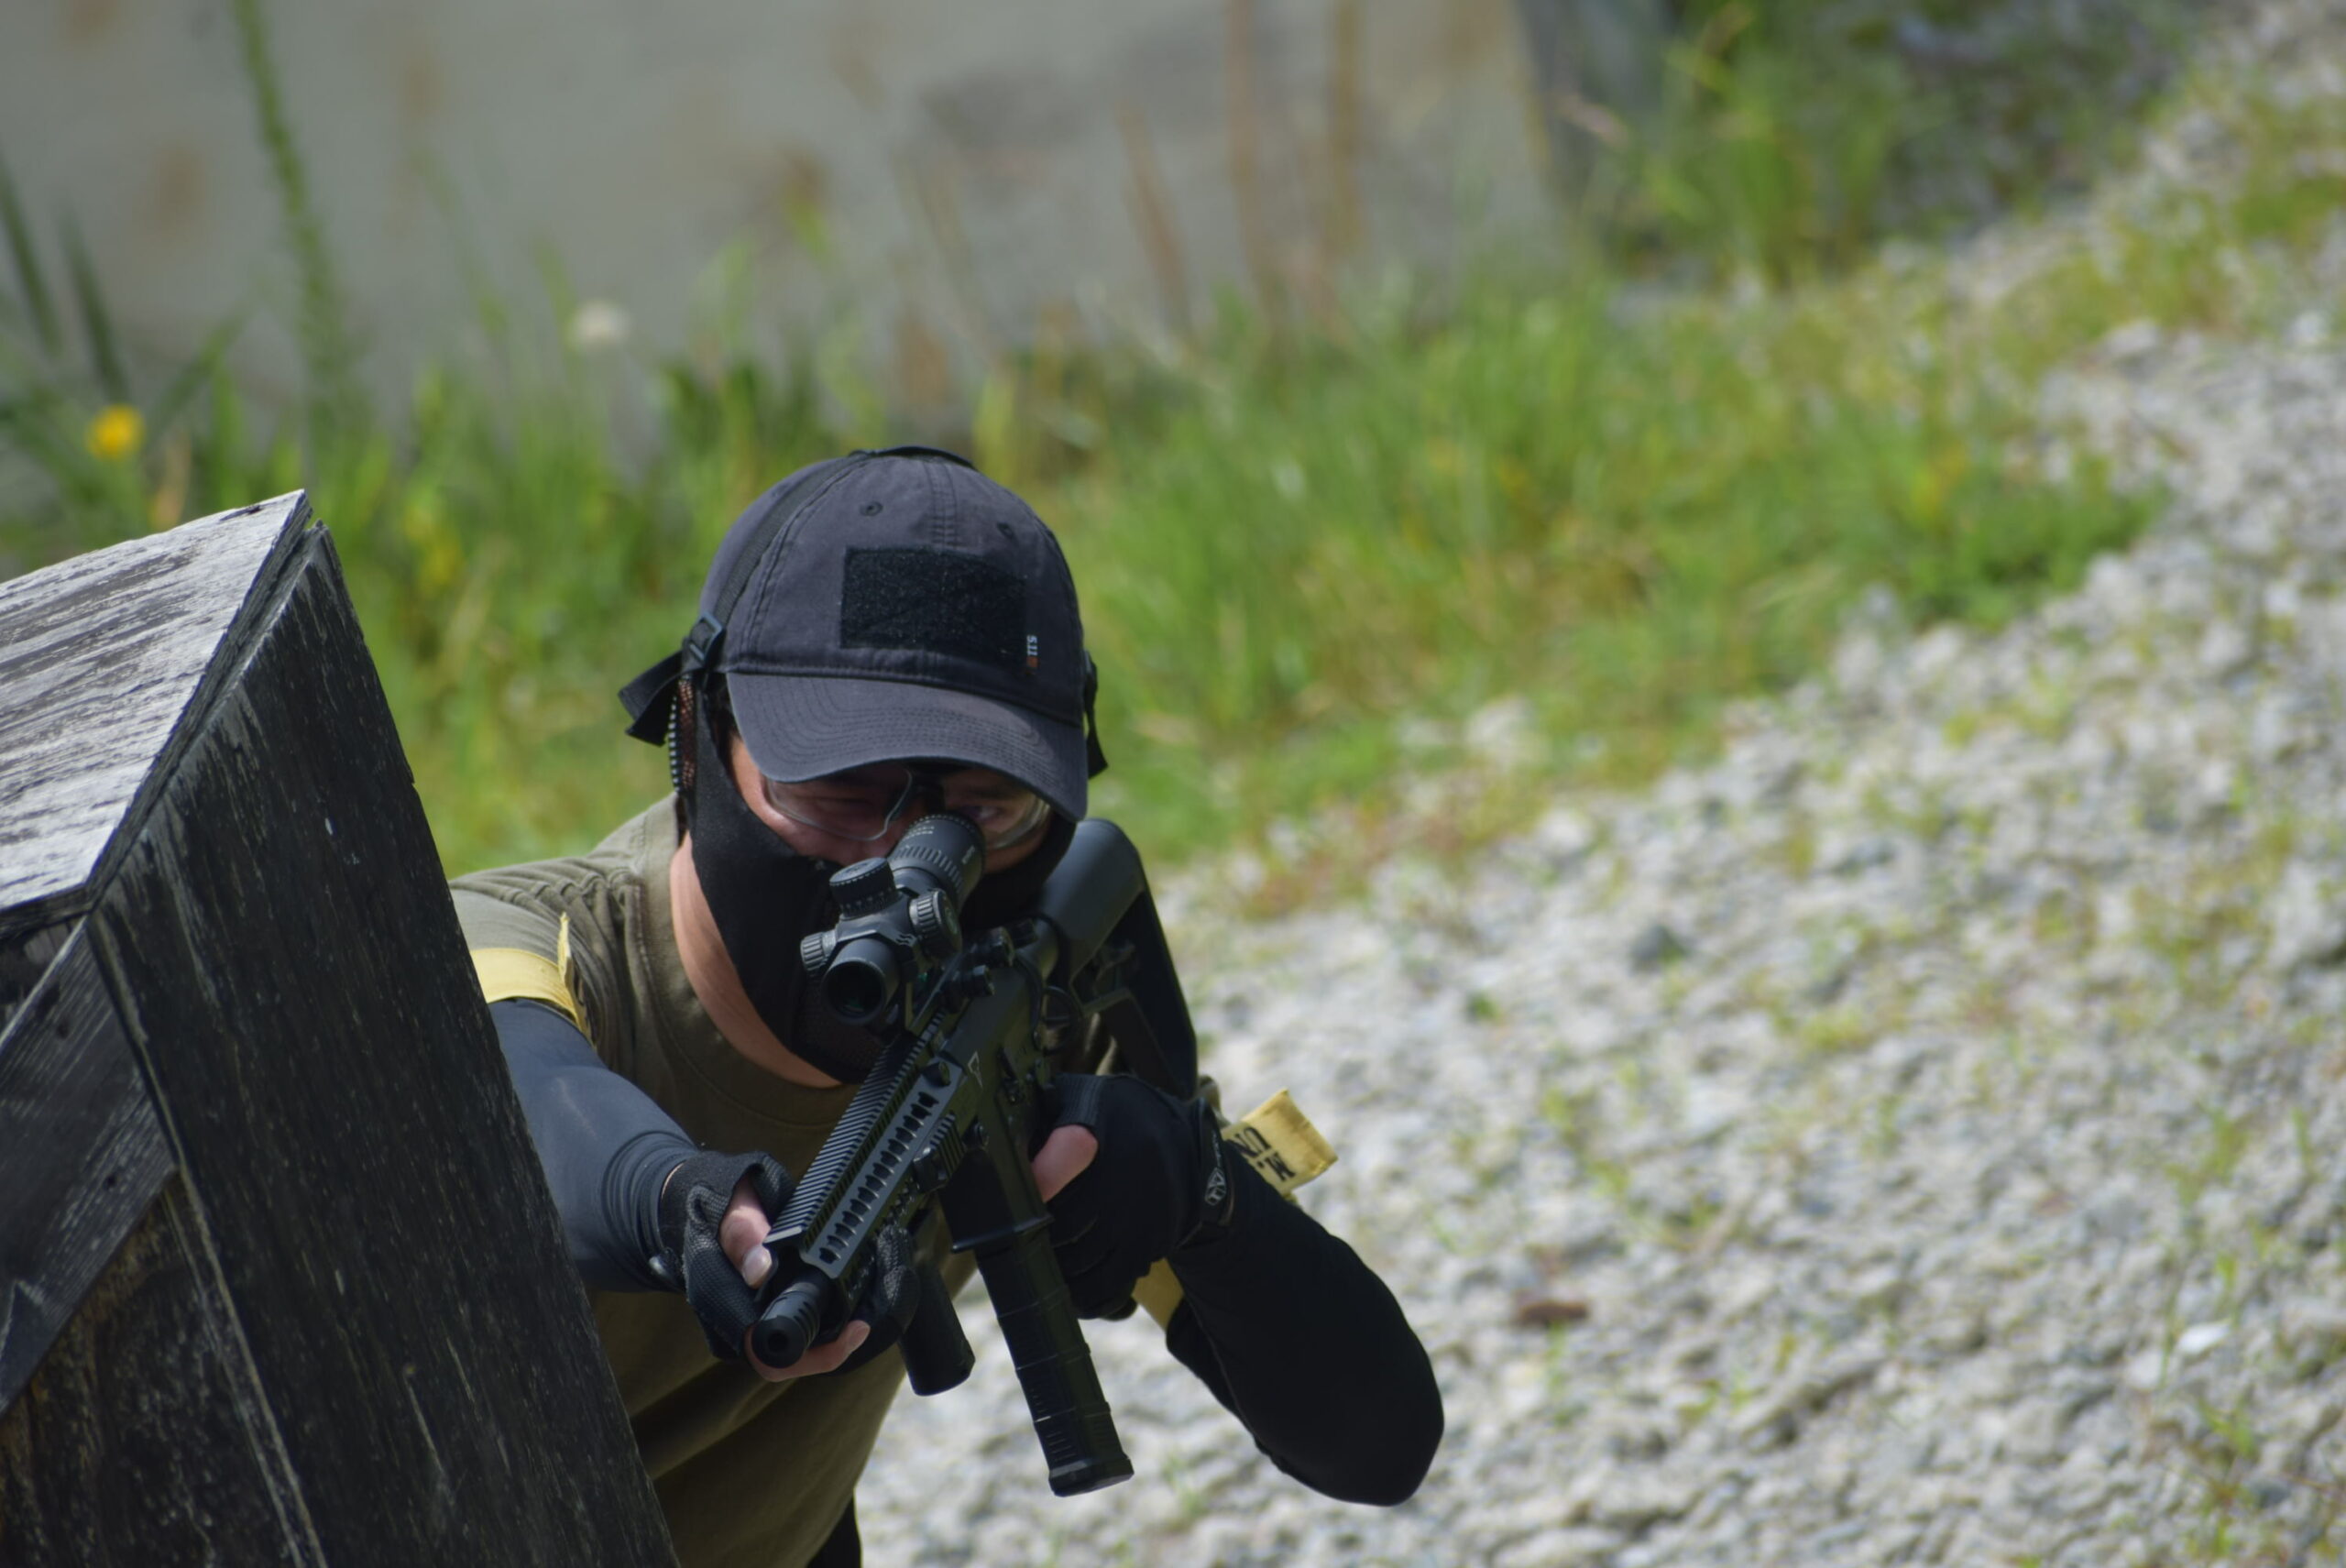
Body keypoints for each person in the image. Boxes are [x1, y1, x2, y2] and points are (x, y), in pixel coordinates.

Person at [450, 447, 1442, 1567]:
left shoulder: (1030, 996)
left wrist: (1205, 1193)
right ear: (695, 733)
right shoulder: (518, 943)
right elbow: (523, 1092)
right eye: (839, 791)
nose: (901, 865)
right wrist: (672, 1200)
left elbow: (1374, 1445)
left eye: (986, 810)